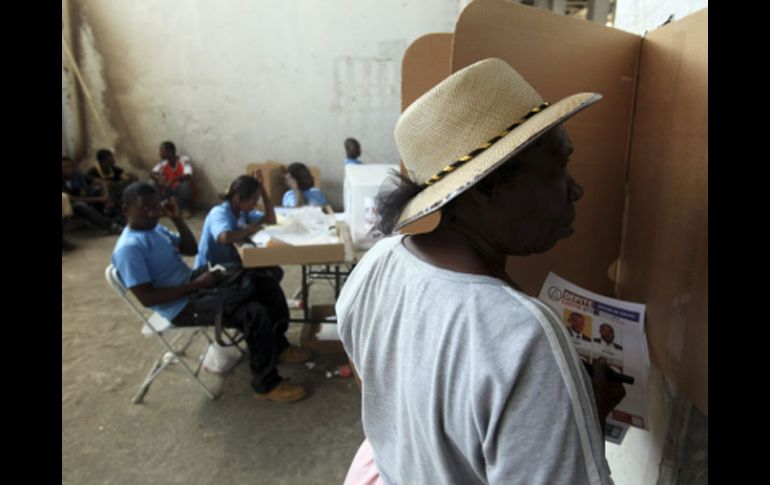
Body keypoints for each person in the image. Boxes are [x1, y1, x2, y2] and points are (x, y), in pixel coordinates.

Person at [336, 59, 625, 484]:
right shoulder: (524, 336)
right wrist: (584, 418)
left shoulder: (378, 265)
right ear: (485, 189)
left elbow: (371, 379)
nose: (576, 189)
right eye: (557, 169)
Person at [111, 182, 311, 402]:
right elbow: (147, 298)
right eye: (144, 208)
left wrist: (177, 219)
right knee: (253, 312)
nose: (152, 213)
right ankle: (266, 385)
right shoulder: (129, 248)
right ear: (126, 210)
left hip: (194, 284)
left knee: (264, 281)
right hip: (181, 306)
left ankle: (278, 345)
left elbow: (190, 249)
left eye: (155, 207)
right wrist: (197, 285)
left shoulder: (155, 228)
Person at [194, 171, 283, 281]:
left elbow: (271, 219)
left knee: (275, 271)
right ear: (239, 197)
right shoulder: (219, 212)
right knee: (263, 279)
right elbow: (224, 238)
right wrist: (249, 230)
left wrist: (262, 189)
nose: (255, 204)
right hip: (211, 272)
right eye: (254, 200)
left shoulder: (242, 212)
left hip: (231, 264)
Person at [62, 156, 123, 235]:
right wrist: (99, 199)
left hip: (82, 197)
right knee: (80, 205)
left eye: (71, 166)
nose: (69, 169)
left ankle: (116, 216)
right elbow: (71, 199)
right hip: (69, 203)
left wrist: (106, 196)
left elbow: (102, 182)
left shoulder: (77, 174)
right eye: (65, 167)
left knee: (100, 189)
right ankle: (112, 226)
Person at [150, 141, 194, 216]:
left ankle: (185, 208)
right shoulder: (163, 162)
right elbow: (152, 173)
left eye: (162, 151)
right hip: (168, 190)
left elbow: (188, 174)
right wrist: (159, 179)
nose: (160, 153)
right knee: (151, 182)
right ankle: (161, 208)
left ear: (170, 151)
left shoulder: (183, 159)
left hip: (179, 191)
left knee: (185, 184)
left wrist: (173, 179)